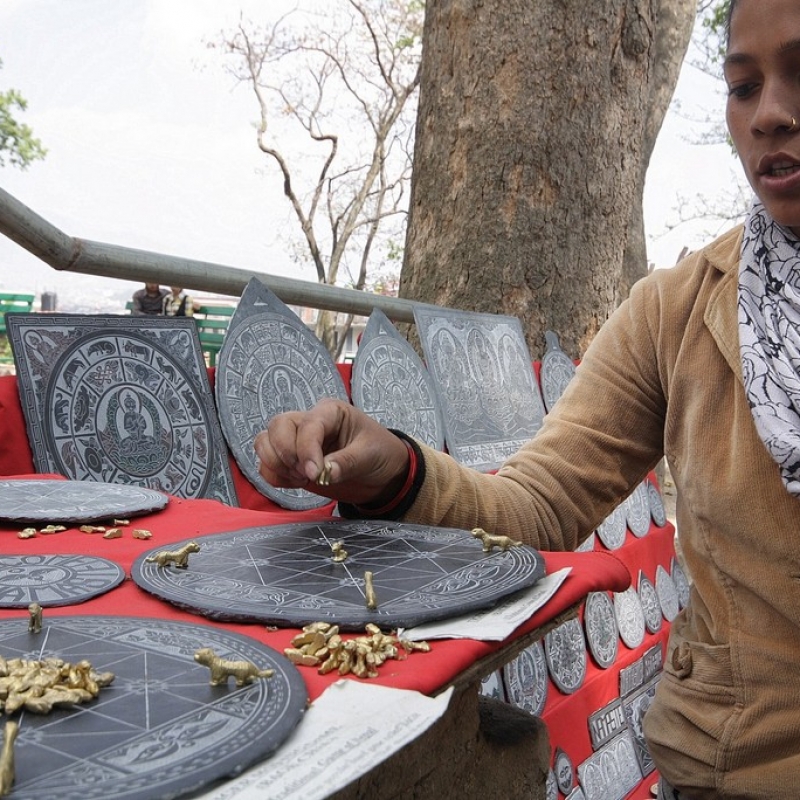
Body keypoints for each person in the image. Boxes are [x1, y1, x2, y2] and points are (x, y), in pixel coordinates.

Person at [255, 1, 800, 796]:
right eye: (744, 86)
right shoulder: (676, 314)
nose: (769, 114)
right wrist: (398, 471)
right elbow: (538, 507)